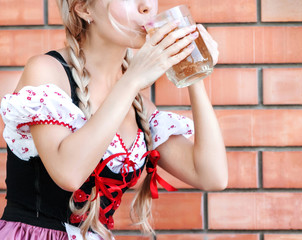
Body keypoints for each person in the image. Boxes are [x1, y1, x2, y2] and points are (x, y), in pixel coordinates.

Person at [0, 0, 227, 239]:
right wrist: (132, 80)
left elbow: (212, 176)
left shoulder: (139, 105)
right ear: (84, 9)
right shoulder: (46, 72)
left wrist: (193, 69)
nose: (146, 6)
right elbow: (69, 174)